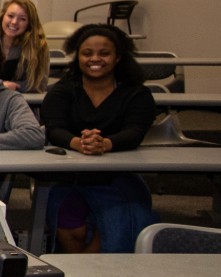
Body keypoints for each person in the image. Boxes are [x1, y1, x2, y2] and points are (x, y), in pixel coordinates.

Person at [41, 23, 158, 253]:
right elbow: (54, 129)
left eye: (104, 53)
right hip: (71, 176)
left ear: (117, 58)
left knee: (118, 230)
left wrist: (104, 144)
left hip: (118, 177)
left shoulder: (136, 94)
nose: (95, 58)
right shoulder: (63, 91)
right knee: (71, 229)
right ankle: (83, 274)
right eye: (87, 53)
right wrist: (79, 144)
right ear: (78, 57)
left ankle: (102, 276)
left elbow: (135, 132)